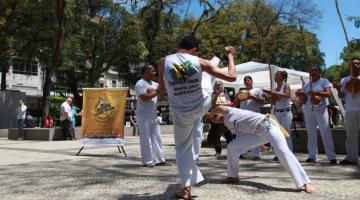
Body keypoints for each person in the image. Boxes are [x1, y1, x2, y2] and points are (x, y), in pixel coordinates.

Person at [157, 34, 237, 199]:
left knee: (181, 149)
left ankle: (185, 188)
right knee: (207, 75)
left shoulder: (163, 62)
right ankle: (216, 60)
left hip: (180, 112)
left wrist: (166, 94)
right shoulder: (199, 61)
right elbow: (232, 76)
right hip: (202, 105)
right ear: (194, 50)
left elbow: (162, 89)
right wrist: (230, 56)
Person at [208, 106, 315, 193]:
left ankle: (305, 182)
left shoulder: (230, 112)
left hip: (267, 125)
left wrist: (211, 113)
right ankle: (233, 176)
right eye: (213, 119)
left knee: (282, 151)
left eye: (215, 116)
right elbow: (248, 135)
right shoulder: (229, 125)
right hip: (258, 133)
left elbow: (220, 108)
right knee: (232, 147)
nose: (215, 118)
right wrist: (261, 145)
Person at [135, 65, 171, 167]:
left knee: (157, 138)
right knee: (145, 139)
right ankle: (147, 161)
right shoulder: (140, 83)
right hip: (143, 116)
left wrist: (160, 93)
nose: (154, 72)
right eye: (152, 70)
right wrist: (157, 92)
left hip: (154, 116)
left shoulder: (156, 84)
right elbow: (144, 98)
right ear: (146, 72)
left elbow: (160, 99)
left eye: (154, 70)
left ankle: (160, 160)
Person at [300, 66, 337, 164]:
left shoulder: (324, 81)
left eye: (315, 70)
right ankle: (312, 156)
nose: (313, 72)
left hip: (321, 109)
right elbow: (304, 99)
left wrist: (317, 92)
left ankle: (332, 157)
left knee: (325, 132)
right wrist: (301, 94)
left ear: (319, 72)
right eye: (311, 70)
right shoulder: (307, 85)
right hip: (309, 109)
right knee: (311, 133)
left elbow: (328, 94)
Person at [333, 57, 360, 165]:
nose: (355, 65)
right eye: (353, 64)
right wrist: (338, 88)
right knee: (351, 134)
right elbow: (342, 96)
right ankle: (352, 158)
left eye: (358, 64)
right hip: (350, 109)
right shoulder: (344, 80)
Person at [233, 75, 265, 160]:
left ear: (251, 81)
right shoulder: (241, 91)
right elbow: (235, 103)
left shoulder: (257, 90)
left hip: (255, 115)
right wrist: (237, 98)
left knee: (255, 134)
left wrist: (252, 97)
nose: (246, 82)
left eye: (248, 80)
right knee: (241, 134)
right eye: (245, 80)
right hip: (243, 115)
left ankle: (256, 154)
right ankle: (240, 153)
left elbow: (262, 101)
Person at [268, 71, 294, 160]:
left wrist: (276, 93)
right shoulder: (275, 88)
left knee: (286, 133)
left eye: (277, 75)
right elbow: (274, 102)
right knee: (278, 134)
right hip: (277, 112)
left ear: (282, 77)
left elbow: (287, 95)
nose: (275, 77)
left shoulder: (285, 85)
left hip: (286, 113)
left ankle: (289, 153)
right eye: (275, 75)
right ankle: (279, 154)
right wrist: (271, 95)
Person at [207, 80, 234, 158]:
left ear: (222, 86)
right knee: (216, 136)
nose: (219, 86)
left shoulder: (226, 94)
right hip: (215, 118)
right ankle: (218, 151)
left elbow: (229, 103)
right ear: (214, 87)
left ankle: (232, 151)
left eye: (220, 85)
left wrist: (219, 104)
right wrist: (217, 97)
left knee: (228, 135)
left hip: (224, 118)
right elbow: (213, 103)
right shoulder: (213, 94)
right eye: (217, 85)